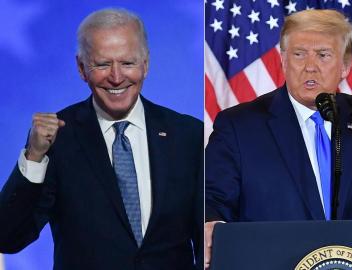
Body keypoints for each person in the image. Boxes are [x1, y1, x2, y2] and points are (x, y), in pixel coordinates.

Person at [0, 8, 203, 270]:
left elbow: (205, 239)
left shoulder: (187, 134)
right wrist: (34, 157)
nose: (116, 77)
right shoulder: (58, 138)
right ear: (82, 68)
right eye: (103, 64)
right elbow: (8, 237)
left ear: (146, 64)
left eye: (127, 63)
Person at [204, 9, 352, 269]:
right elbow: (212, 196)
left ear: (345, 66)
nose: (310, 66)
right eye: (299, 54)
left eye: (323, 55)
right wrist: (209, 223)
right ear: (284, 61)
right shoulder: (238, 125)